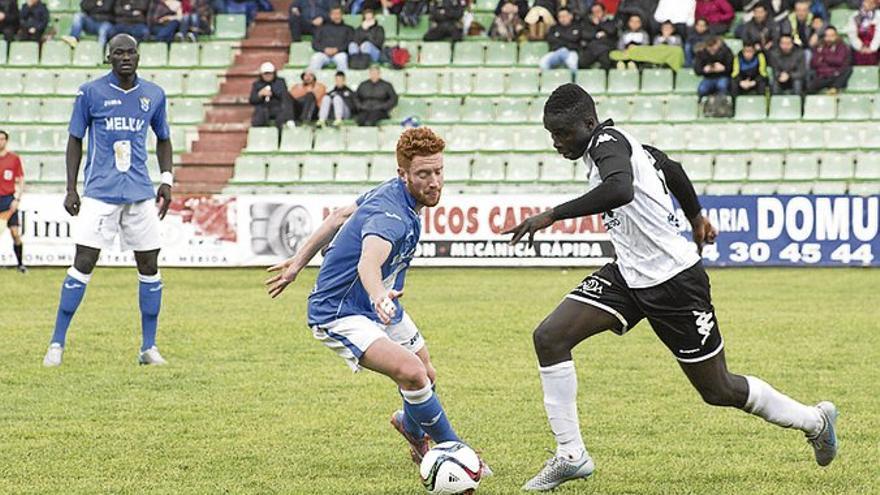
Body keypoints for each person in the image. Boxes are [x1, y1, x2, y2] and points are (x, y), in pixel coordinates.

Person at [508, 83, 839, 492]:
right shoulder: (626, 144)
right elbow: (674, 168)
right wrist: (697, 215)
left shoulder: (607, 143)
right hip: (629, 275)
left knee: (718, 389)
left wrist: (551, 215)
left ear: (589, 124)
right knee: (550, 337)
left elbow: (619, 189)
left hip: (675, 284)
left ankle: (815, 420)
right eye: (551, 135)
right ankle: (571, 455)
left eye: (563, 134)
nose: (556, 143)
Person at [264, 126, 492, 476]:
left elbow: (339, 216)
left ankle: (411, 427)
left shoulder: (394, 192)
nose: (434, 182)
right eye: (423, 174)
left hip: (381, 302)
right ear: (404, 174)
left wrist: (297, 264)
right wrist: (377, 296)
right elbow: (367, 261)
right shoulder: (391, 216)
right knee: (414, 373)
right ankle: (457, 451)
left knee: (426, 374)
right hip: (342, 311)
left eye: (438, 171)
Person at [43, 34, 174, 368]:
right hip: (100, 193)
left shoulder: (153, 95)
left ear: (138, 56)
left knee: (149, 266)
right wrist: (71, 188)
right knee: (84, 261)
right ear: (109, 57)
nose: (126, 57)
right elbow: (75, 140)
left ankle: (149, 347)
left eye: (131, 51)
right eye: (119, 52)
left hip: (140, 193)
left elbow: (164, 140)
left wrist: (167, 180)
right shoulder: (90, 92)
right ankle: (57, 343)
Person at [0, 130, 26, 273]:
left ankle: (20, 264)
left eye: (2, 139)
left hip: (8, 199)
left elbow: (21, 179)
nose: (0, 142)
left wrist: (17, 198)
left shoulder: (14, 158)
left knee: (15, 233)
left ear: (6, 141)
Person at [808, 25, 852, 94]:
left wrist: (824, 58)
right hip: (822, 76)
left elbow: (839, 61)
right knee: (809, 86)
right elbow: (813, 63)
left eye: (832, 36)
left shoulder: (842, 46)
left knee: (848, 70)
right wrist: (831, 60)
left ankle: (834, 88)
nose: (829, 38)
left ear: (836, 36)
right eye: (827, 36)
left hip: (836, 76)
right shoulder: (819, 46)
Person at [249, 61, 293, 129]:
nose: (268, 76)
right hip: (263, 108)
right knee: (259, 116)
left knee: (281, 117)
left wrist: (271, 90)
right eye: (265, 74)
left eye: (270, 73)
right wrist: (260, 94)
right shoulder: (257, 84)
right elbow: (252, 100)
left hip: (278, 107)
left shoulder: (280, 81)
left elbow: (283, 94)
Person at [308, 6, 353, 72]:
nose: (336, 16)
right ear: (330, 15)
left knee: (342, 58)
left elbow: (349, 43)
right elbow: (314, 43)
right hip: (323, 53)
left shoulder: (348, 28)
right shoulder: (321, 28)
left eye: (338, 13)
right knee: (316, 57)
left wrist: (337, 49)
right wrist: (324, 49)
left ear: (342, 15)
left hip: (339, 53)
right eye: (334, 14)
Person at [580, 2, 617, 69]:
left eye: (598, 11)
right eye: (593, 12)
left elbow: (611, 31)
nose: (596, 14)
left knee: (605, 59)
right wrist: (597, 34)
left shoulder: (610, 22)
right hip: (592, 49)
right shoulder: (588, 24)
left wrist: (599, 24)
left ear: (604, 12)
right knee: (582, 62)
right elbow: (585, 35)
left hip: (606, 48)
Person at [845, 0, 880, 66]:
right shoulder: (855, 15)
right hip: (859, 48)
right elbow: (852, 33)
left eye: (871, 3)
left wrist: (872, 48)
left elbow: (878, 35)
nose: (868, 4)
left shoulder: (878, 16)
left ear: (875, 5)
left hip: (873, 48)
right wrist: (860, 46)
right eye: (866, 2)